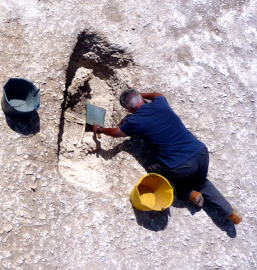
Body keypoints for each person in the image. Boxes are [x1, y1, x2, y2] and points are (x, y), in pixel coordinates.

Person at [94, 89, 242, 225]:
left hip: (180, 166)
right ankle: (229, 212)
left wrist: (99, 128)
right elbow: (158, 94)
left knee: (155, 168)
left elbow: (116, 132)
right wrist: (141, 94)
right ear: (141, 99)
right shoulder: (160, 103)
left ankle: (189, 193)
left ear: (128, 109)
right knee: (202, 182)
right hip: (201, 153)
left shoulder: (134, 121)